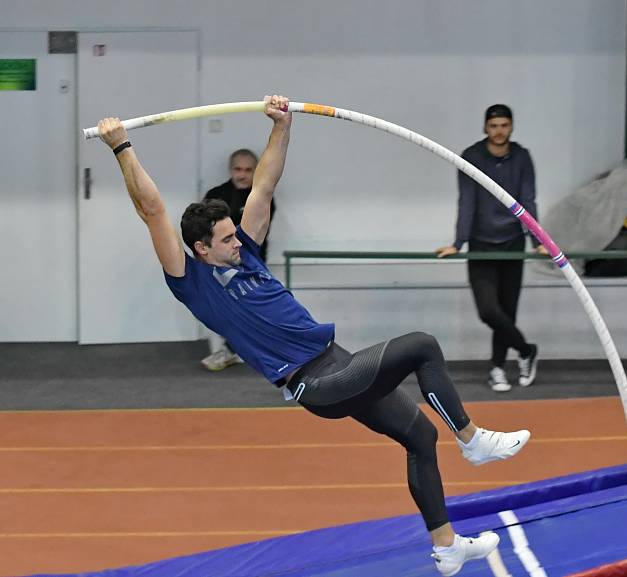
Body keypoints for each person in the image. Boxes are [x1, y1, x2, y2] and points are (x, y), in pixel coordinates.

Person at [96, 94, 531, 577]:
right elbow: (152, 210)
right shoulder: (192, 284)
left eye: (235, 233)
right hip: (316, 383)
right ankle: (472, 441)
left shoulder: (248, 253)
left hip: (337, 361)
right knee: (422, 345)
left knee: (421, 436)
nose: (236, 241)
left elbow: (264, 184)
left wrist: (281, 126)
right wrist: (122, 148)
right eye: (225, 239)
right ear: (200, 248)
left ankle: (446, 547)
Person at [436, 104, 541, 393]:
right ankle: (526, 349)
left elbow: (528, 201)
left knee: (508, 311)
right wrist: (458, 243)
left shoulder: (521, 157)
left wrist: (538, 241)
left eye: (504, 125)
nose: (499, 131)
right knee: (488, 311)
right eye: (494, 126)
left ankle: (497, 368)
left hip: (512, 244)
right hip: (482, 245)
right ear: (485, 128)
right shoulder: (471, 157)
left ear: (511, 127)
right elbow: (466, 200)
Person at [200, 148, 276, 371]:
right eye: (237, 169)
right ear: (230, 169)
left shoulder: (261, 197)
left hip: (251, 266)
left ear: (255, 171)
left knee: (255, 310)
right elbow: (202, 232)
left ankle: (237, 350)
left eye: (248, 170)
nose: (242, 174)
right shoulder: (215, 195)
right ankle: (233, 349)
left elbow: (255, 234)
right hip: (217, 266)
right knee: (225, 310)